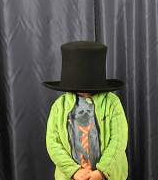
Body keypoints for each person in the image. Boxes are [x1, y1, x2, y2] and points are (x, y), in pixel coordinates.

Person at [44, 41, 129, 180]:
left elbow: (119, 140)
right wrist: (73, 171)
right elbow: (53, 142)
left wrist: (102, 171)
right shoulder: (59, 106)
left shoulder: (112, 103)